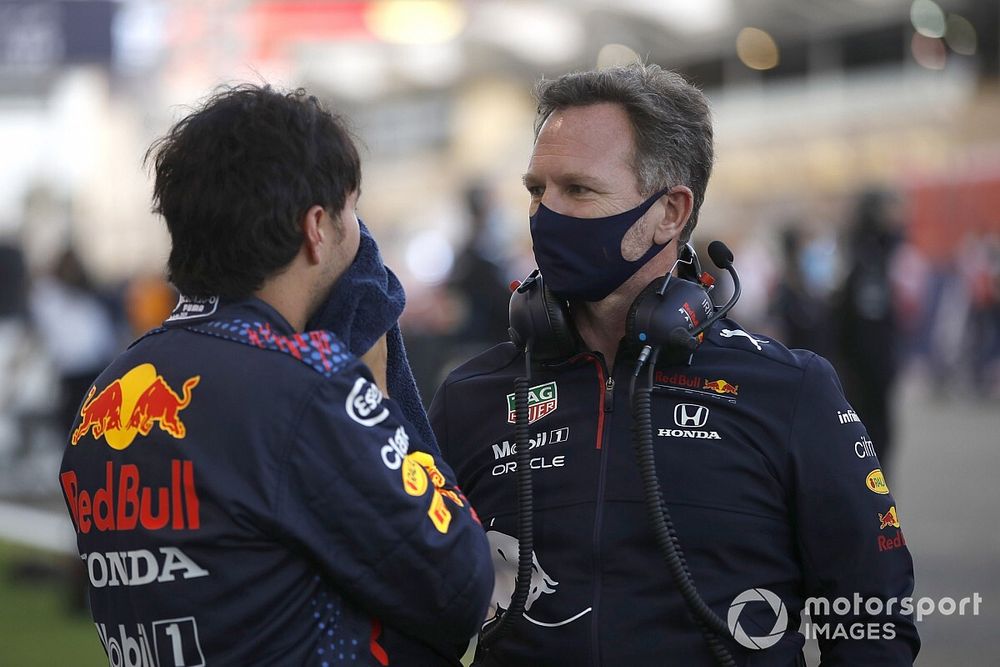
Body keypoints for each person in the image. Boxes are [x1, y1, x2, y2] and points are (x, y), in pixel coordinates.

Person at [429, 64, 919, 666]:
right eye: (536, 190)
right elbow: (418, 611)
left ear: (670, 212)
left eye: (578, 190)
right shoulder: (470, 396)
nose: (543, 215)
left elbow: (874, 625)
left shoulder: (790, 391)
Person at [59, 84, 493, 666]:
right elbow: (460, 585)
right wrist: (373, 388)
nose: (360, 237)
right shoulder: (304, 382)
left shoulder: (107, 391)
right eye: (351, 212)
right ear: (316, 226)